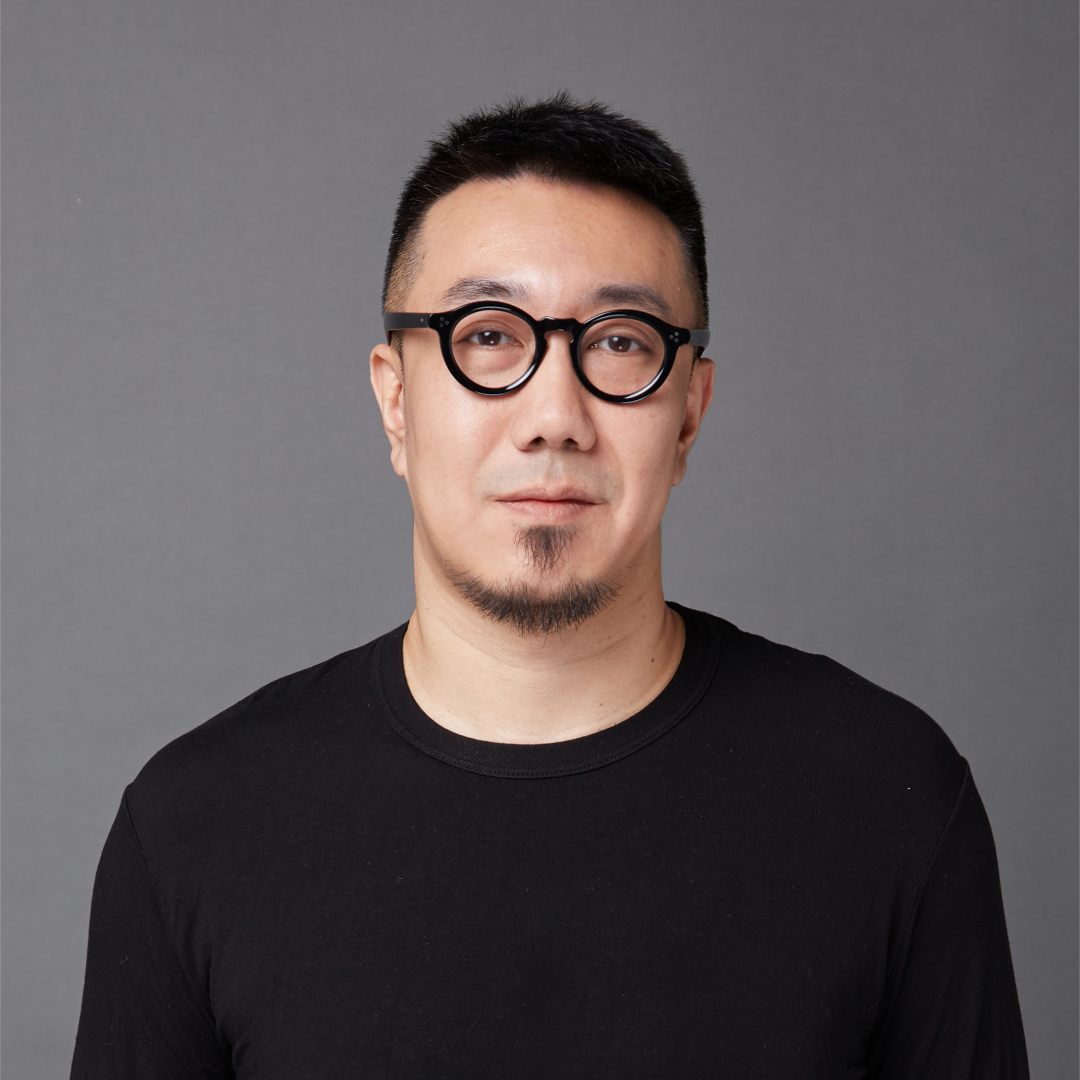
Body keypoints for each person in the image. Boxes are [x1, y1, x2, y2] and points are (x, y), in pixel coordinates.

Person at [70, 94, 1028, 1079]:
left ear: (690, 413)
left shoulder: (886, 796)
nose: (553, 416)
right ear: (395, 400)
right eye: (487, 335)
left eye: (619, 340)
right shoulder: (195, 826)